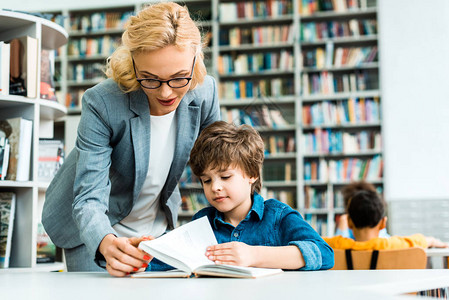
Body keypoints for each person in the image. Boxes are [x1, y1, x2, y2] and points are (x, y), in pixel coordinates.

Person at [42, 2, 220, 277]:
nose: (165, 93)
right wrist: (106, 242)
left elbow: (222, 164)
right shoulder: (102, 102)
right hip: (93, 227)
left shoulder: (205, 91)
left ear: (196, 60)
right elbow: (89, 197)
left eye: (178, 78)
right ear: (133, 62)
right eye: (150, 79)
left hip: (158, 227)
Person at [186, 121, 334, 270]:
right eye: (206, 180)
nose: (215, 187)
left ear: (252, 174)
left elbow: (325, 254)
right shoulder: (202, 221)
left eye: (225, 177)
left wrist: (253, 255)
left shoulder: (277, 216)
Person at [323, 190, 449, 250]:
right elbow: (418, 241)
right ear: (383, 222)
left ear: (349, 222)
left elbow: (315, 241)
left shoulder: (337, 245)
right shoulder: (391, 245)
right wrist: (432, 240)